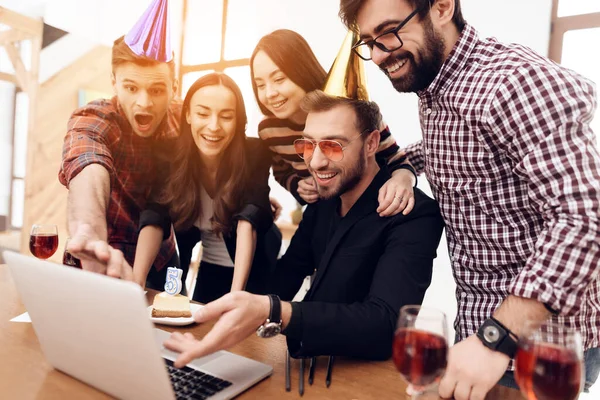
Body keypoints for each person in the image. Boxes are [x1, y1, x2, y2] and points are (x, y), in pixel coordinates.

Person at [339, 0, 600, 397]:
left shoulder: (513, 81)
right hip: (477, 328)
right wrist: (408, 167)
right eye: (370, 41)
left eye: (390, 31)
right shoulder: (437, 82)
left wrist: (497, 337)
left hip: (532, 342)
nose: (378, 54)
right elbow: (458, 146)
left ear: (442, 7)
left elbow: (585, 215)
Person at [163, 90, 444, 367]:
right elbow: (288, 273)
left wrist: (276, 311)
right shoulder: (324, 201)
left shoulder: (415, 215)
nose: (316, 162)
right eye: (308, 145)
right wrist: (228, 325)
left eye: (333, 145)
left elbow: (384, 325)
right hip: (309, 365)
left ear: (371, 143)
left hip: (366, 377)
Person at [58, 0, 178, 283]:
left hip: (160, 263)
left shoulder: (187, 119)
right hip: (97, 257)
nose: (144, 103)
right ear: (114, 82)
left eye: (157, 89)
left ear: (174, 87)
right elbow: (88, 162)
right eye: (131, 87)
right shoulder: (94, 118)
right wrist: (87, 228)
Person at [134, 73, 280, 302]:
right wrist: (136, 280)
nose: (214, 127)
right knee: (200, 322)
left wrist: (236, 296)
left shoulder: (254, 153)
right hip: (210, 261)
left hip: (254, 263)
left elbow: (248, 219)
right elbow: (156, 214)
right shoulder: (169, 155)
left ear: (239, 120)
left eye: (226, 116)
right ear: (189, 115)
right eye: (203, 113)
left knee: (246, 330)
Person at [250, 29, 417, 216]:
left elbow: (397, 160)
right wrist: (297, 185)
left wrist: (404, 178)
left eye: (279, 79)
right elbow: (281, 172)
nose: (269, 93)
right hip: (324, 213)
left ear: (301, 71)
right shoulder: (269, 130)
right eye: (260, 85)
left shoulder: (353, 114)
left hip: (375, 207)